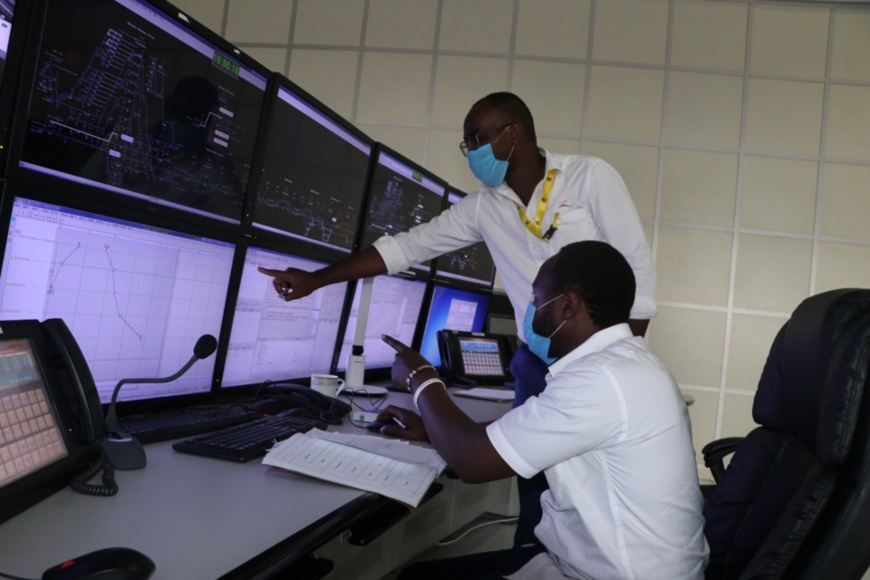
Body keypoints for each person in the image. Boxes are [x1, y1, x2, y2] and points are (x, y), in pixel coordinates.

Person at [258, 91, 657, 545]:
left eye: (477, 139)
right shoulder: (485, 206)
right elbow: (406, 247)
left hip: (598, 362)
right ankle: (531, 556)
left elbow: (638, 279)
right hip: (536, 359)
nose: (472, 153)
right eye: (467, 144)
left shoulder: (589, 178)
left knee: (587, 480)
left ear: (513, 134)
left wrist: (617, 365)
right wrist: (317, 279)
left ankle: (583, 557)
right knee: (535, 484)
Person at [377, 241, 708, 580]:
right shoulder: (629, 364)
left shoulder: (600, 379)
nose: (531, 311)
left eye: (536, 299)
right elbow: (528, 429)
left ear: (567, 306)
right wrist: (432, 427)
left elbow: (470, 462)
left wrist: (421, 380)